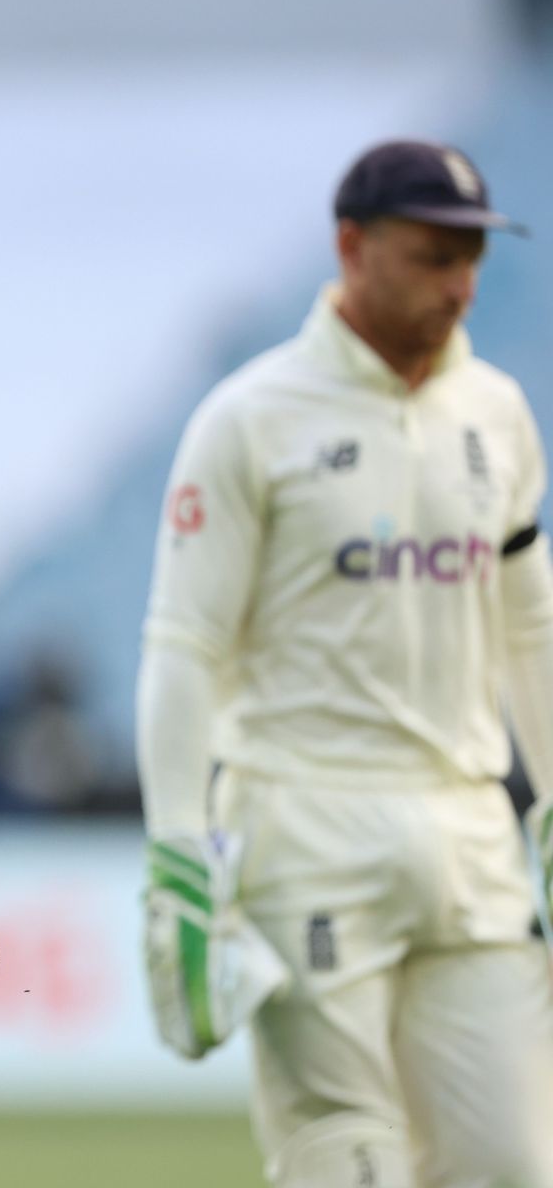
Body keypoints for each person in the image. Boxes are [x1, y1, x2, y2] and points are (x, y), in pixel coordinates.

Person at [138, 140, 553, 1187]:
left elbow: (530, 627)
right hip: (307, 823)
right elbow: (185, 644)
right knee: (349, 1159)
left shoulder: (495, 411)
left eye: (471, 257)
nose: (459, 284)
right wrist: (182, 860)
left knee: (508, 1164)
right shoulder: (251, 418)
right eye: (432, 255)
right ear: (352, 245)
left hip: (469, 831)